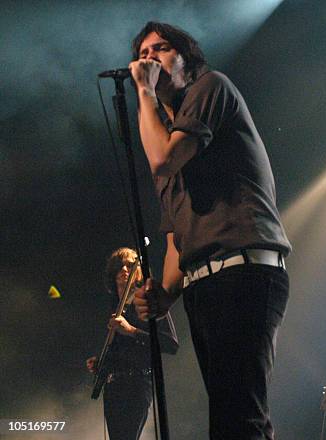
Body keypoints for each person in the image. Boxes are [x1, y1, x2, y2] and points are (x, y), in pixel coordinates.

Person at [129, 22, 291, 439]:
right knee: (227, 420)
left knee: (240, 417)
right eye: (143, 52)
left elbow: (164, 159)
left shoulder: (211, 88)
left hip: (243, 271)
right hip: (204, 283)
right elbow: (174, 241)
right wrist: (161, 297)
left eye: (161, 49)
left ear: (186, 58)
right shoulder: (162, 134)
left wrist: (145, 92)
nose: (150, 58)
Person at [87, 247, 179, 440]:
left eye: (130, 265)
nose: (124, 269)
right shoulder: (113, 305)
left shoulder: (148, 299)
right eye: (120, 266)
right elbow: (122, 351)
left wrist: (131, 331)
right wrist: (101, 362)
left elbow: (170, 344)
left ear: (138, 271)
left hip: (136, 385)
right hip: (113, 387)